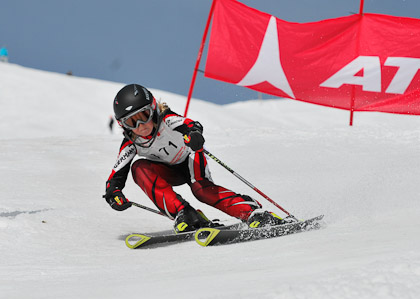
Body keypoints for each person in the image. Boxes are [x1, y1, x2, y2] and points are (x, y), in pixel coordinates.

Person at [104, 83, 286, 233]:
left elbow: (191, 124)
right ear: (123, 125)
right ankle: (186, 214)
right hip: (168, 171)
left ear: (153, 110)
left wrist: (194, 135)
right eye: (132, 122)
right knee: (139, 168)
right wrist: (114, 193)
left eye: (144, 116)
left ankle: (253, 211)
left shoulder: (166, 119)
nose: (141, 125)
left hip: (190, 158)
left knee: (201, 190)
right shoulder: (131, 143)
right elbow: (115, 177)